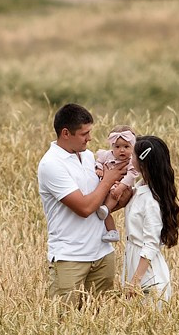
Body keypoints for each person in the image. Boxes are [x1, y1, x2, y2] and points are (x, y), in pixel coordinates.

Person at [37, 103, 120, 305]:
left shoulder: (89, 156)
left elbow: (98, 202)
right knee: (64, 324)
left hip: (102, 254)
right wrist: (108, 180)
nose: (89, 138)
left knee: (100, 322)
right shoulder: (51, 164)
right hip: (70, 258)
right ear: (66, 133)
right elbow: (84, 208)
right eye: (84, 133)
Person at [120, 134, 179, 300]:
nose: (129, 157)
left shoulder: (151, 201)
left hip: (147, 274)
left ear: (142, 161)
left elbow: (151, 244)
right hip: (134, 262)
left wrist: (135, 281)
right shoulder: (138, 188)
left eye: (132, 154)